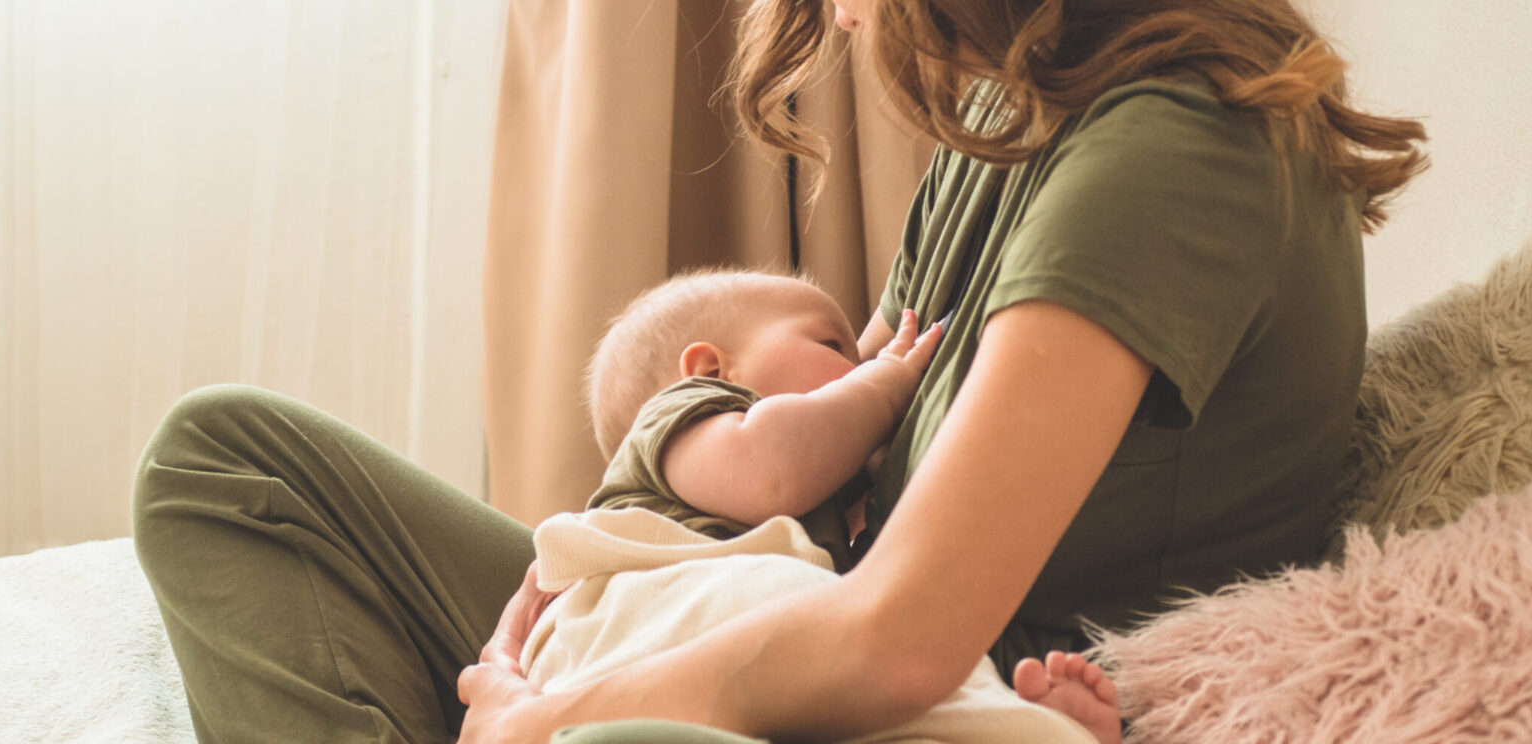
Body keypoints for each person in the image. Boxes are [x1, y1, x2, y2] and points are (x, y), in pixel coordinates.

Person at [131, 0, 1427, 741]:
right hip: (801, 617)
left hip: (940, 702)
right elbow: (838, 472)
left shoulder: (1177, 150)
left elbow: (904, 640)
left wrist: (558, 707)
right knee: (227, 461)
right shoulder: (999, 121)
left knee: (632, 740)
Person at [516, 267, 1113, 743]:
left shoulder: (813, 520)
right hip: (637, 639)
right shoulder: (678, 422)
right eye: (833, 345)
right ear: (710, 369)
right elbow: (770, 468)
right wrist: (880, 391)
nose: (861, 365)